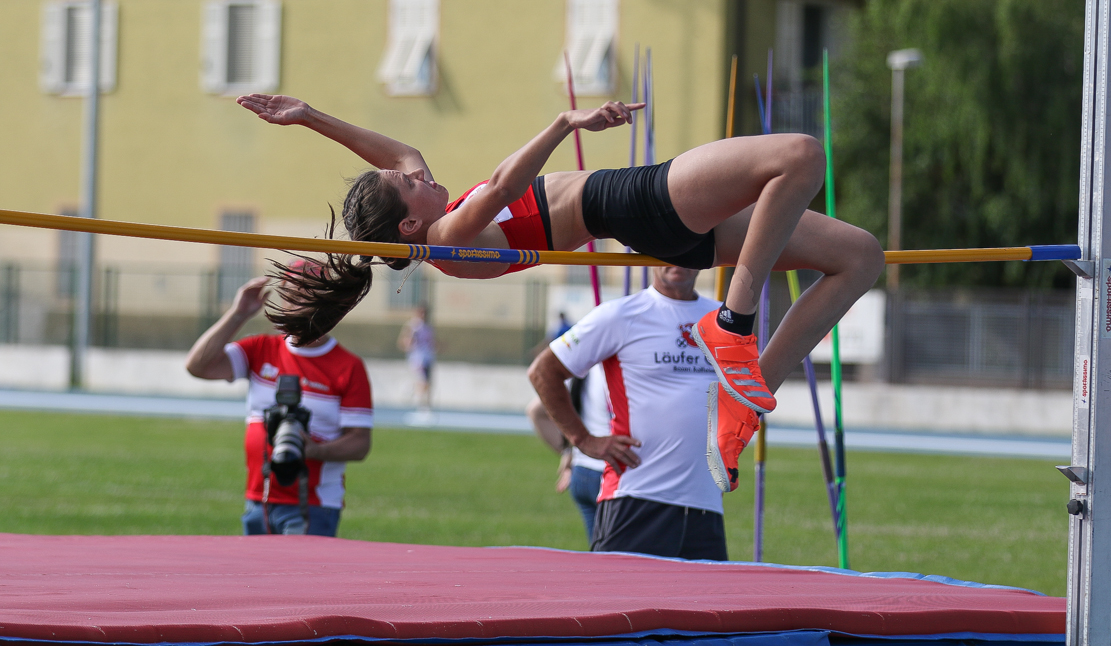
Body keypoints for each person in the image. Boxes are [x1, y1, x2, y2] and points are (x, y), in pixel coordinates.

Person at [236, 93, 882, 478]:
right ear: (409, 223)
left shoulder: (431, 220)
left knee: (859, 257)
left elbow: (396, 154)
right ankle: (734, 324)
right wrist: (564, 124)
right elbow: (505, 186)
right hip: (627, 203)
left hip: (651, 223)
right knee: (798, 154)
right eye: (411, 184)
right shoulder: (447, 237)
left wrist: (310, 116)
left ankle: (744, 401)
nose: (419, 172)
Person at [528, 265, 740, 559]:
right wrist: (583, 440)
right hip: (635, 498)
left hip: (705, 505)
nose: (678, 258)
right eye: (669, 248)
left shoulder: (723, 318)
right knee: (618, 590)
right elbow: (542, 371)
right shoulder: (619, 315)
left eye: (690, 248)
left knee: (707, 592)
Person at [185, 268, 373, 537]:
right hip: (258, 498)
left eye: (307, 294)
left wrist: (315, 450)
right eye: (289, 294)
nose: (296, 303)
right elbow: (198, 366)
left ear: (326, 302)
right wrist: (238, 314)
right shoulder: (261, 348)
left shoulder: (348, 366)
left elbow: (360, 443)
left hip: (314, 503)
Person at [526, 362, 610, 541]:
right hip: (610, 474)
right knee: (624, 554)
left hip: (582, 473)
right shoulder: (619, 368)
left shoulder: (585, 365)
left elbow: (536, 411)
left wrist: (569, 451)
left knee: (600, 552)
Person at [399, 305, 436, 410]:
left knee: (427, 383)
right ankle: (420, 406)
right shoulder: (412, 326)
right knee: (422, 381)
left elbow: (430, 342)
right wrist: (409, 342)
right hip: (417, 358)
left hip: (427, 358)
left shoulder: (428, 327)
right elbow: (404, 341)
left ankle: (422, 400)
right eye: (421, 312)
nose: (423, 315)